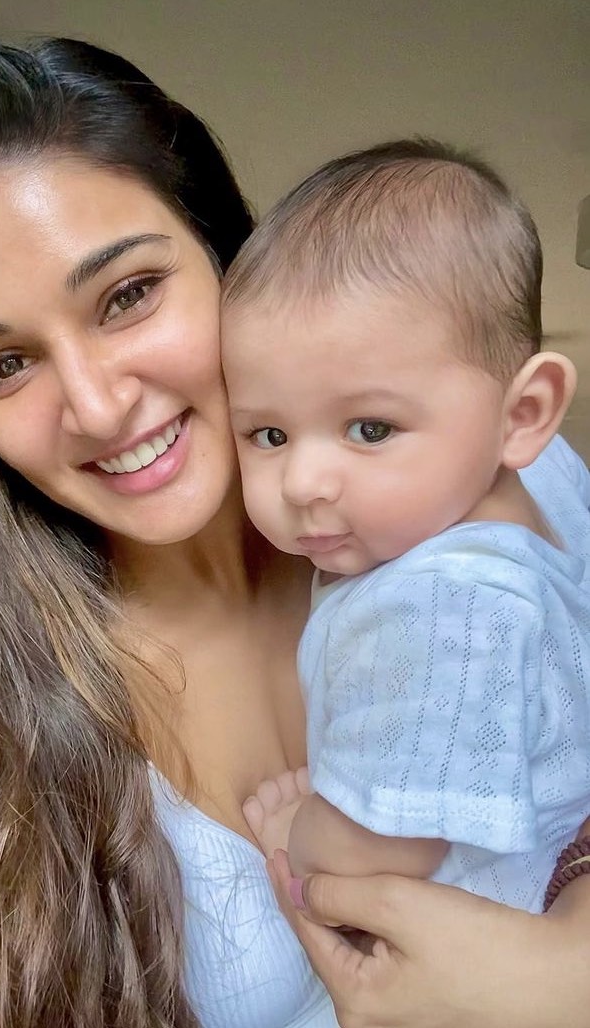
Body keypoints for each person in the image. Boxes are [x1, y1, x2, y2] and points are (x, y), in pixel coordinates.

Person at [0, 26, 588, 1028]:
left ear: (224, 257)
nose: (98, 406)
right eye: (4, 365)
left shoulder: (495, 473)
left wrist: (567, 967)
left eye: (128, 295)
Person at [221, 140, 590, 913]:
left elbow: (383, 847)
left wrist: (300, 829)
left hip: (483, 928)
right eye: (269, 434)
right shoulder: (540, 475)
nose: (303, 482)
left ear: (523, 414)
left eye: (371, 429)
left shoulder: (441, 605)